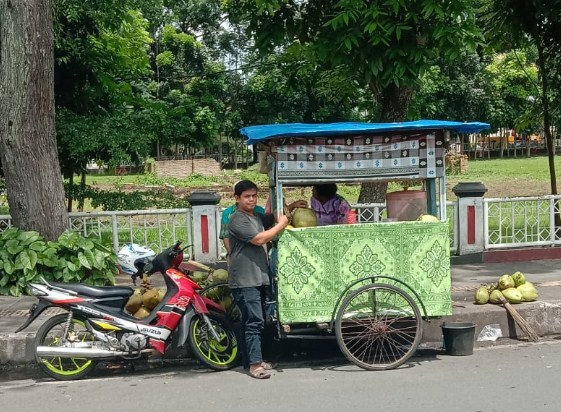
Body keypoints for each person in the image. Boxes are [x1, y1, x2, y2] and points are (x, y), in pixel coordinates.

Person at [227, 180, 289, 379]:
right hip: (245, 280)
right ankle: (255, 365)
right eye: (246, 196)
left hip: (258, 278)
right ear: (237, 199)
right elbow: (259, 239)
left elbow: (273, 216)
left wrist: (289, 209)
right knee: (255, 322)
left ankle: (251, 360)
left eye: (254, 195)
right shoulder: (236, 219)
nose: (251, 199)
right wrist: (281, 225)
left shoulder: (256, 217)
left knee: (252, 321)